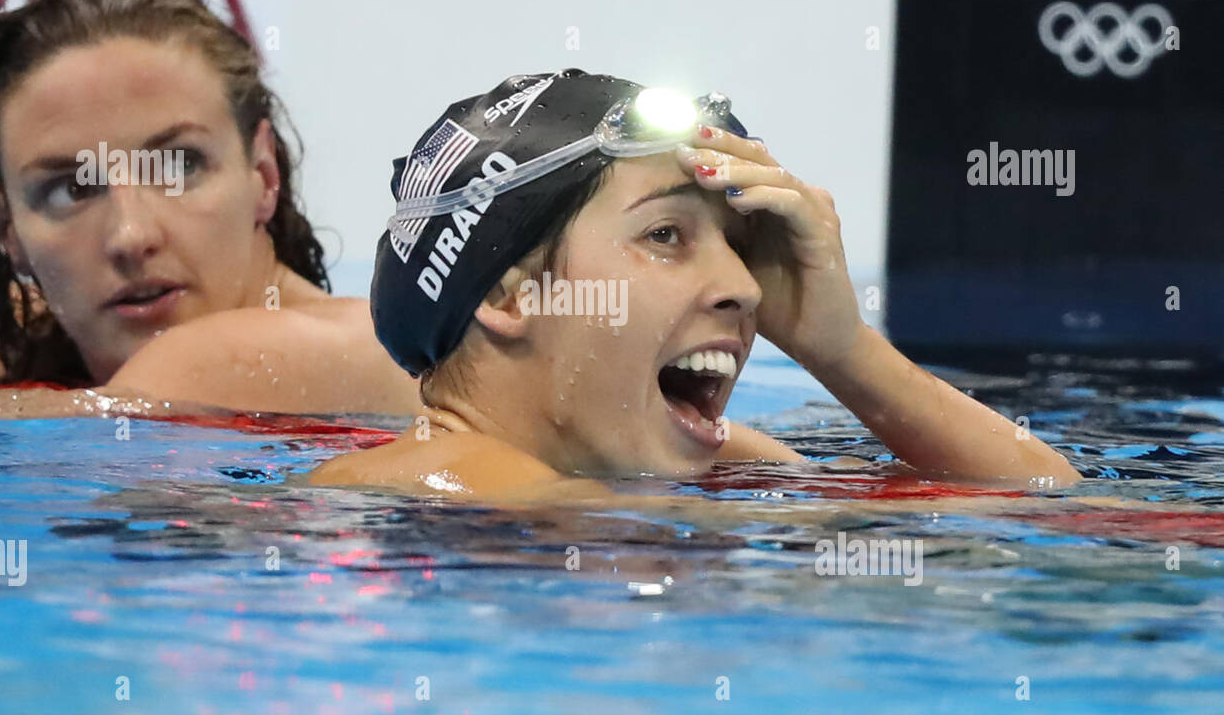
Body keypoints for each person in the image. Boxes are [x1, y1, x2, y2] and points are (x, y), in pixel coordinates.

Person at [310, 69, 1080, 497]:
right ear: (511, 297)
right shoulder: (430, 480)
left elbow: (1050, 507)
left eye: (739, 244)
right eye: (666, 234)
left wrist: (842, 349)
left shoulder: (683, 460)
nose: (745, 287)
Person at [0, 0, 418, 417]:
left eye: (179, 165)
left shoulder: (355, 347)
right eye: (72, 188)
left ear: (264, 176)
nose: (131, 235)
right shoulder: (34, 330)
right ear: (6, 227)